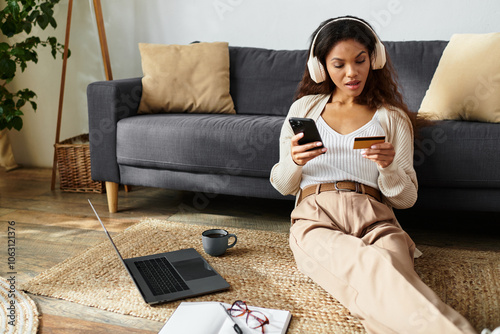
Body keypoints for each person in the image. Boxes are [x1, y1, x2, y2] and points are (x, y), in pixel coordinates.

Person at [270, 16, 479, 334]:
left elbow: (406, 199)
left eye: (360, 60)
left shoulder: (392, 118)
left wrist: (389, 166)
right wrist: (295, 161)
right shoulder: (303, 110)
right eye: (338, 64)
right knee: (371, 266)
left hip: (377, 217)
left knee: (391, 284)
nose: (351, 73)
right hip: (314, 216)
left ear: (374, 59)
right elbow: (282, 184)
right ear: (321, 67)